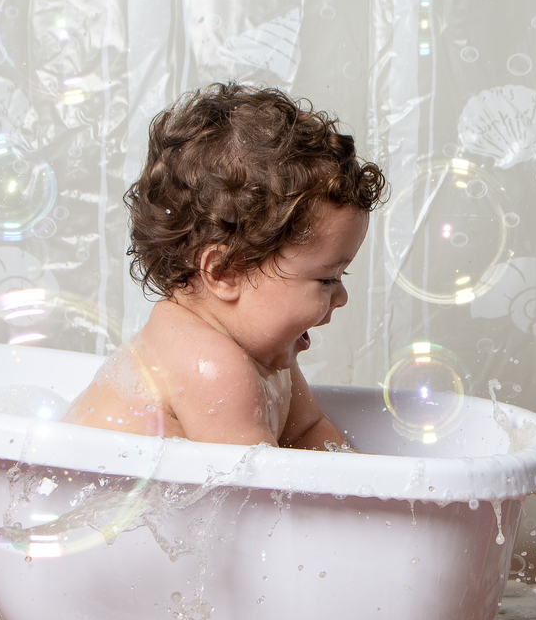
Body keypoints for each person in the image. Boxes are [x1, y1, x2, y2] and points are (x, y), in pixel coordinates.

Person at [63, 83, 386, 449]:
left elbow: (307, 431)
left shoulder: (262, 352)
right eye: (327, 278)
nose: (341, 296)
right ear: (224, 272)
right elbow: (259, 499)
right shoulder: (213, 370)